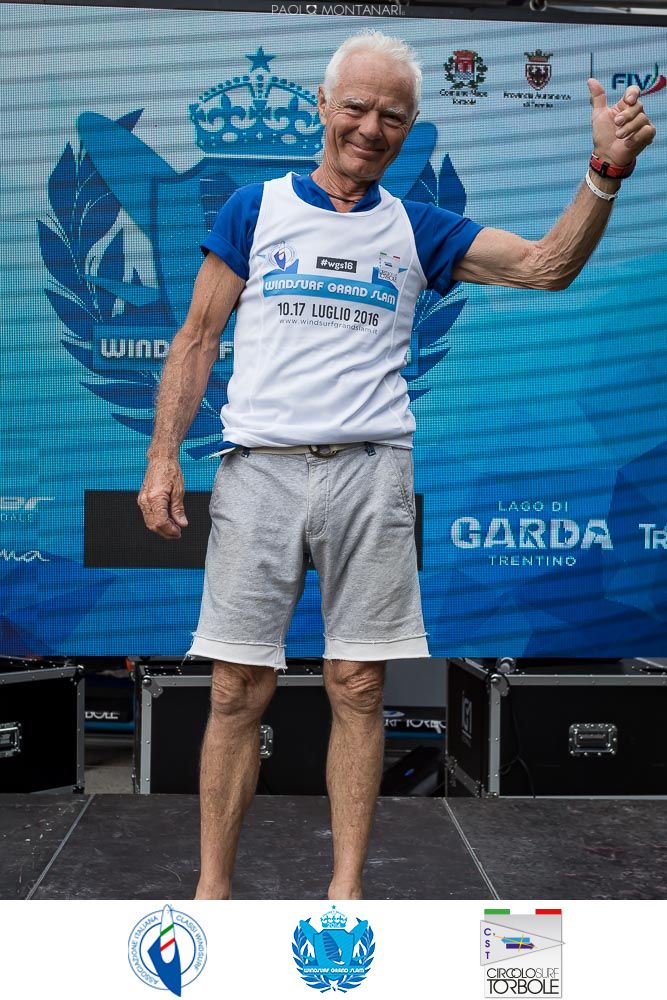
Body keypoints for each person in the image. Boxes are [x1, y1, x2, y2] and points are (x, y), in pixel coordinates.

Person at [137, 30, 656, 900]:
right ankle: (212, 893)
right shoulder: (253, 208)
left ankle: (345, 894)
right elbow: (195, 337)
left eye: (392, 116)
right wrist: (161, 457)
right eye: (356, 107)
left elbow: (546, 266)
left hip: (370, 475)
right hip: (258, 473)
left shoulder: (418, 228)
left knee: (357, 686)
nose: (370, 128)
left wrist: (604, 172)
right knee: (233, 691)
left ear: (408, 129)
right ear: (322, 106)